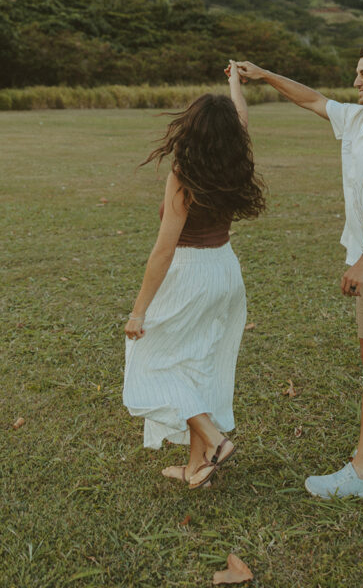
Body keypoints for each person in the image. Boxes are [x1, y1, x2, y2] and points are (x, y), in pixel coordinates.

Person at [236, 44, 363, 499]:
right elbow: (312, 100)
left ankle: (362, 474)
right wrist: (264, 74)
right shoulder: (361, 119)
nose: (356, 81)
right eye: (356, 74)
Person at [122, 64, 265, 489]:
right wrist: (235, 84)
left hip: (189, 273)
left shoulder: (184, 176)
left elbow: (164, 249)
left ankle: (216, 440)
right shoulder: (234, 161)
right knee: (198, 364)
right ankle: (195, 466)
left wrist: (138, 311)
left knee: (152, 360)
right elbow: (241, 117)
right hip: (225, 269)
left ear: (192, 129)